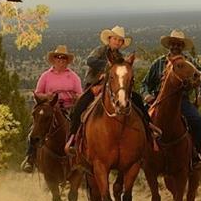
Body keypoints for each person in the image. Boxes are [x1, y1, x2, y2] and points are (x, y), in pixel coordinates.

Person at [66, 25, 158, 153]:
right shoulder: (100, 50)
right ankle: (73, 138)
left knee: (137, 100)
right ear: (109, 39)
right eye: (115, 39)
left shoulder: (121, 58)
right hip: (95, 85)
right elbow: (90, 61)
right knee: (79, 106)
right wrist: (108, 68)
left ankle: (148, 130)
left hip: (115, 88)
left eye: (120, 40)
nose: (117, 42)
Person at [142, 29, 201, 166]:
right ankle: (139, 155)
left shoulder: (189, 62)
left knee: (198, 122)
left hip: (181, 101)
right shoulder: (158, 63)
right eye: (173, 44)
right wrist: (146, 95)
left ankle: (195, 155)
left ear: (182, 47)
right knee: (139, 122)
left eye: (179, 44)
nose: (176, 47)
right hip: (158, 100)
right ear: (169, 45)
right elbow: (145, 83)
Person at [24, 45, 82, 171]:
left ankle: (82, 158)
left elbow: (80, 94)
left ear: (67, 61)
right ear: (54, 60)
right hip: (50, 107)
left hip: (68, 108)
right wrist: (47, 96)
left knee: (81, 128)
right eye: (58, 58)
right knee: (34, 130)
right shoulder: (46, 76)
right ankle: (30, 157)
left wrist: (75, 97)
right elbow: (37, 93)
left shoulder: (73, 77)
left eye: (63, 59)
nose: (60, 60)